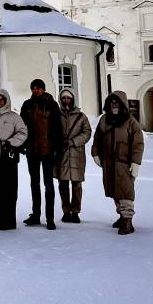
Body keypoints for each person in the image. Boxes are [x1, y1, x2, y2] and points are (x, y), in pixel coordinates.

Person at [91, 91, 145, 235]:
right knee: (114, 190)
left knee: (125, 191)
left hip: (124, 163)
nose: (114, 104)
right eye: (112, 102)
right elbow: (98, 137)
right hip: (108, 163)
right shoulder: (104, 120)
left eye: (117, 102)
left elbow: (138, 143)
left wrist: (136, 162)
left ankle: (128, 220)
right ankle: (122, 215)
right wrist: (95, 153)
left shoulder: (131, 122)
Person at [20, 78, 64, 229]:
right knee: (34, 184)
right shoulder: (27, 105)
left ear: (44, 89)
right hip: (32, 150)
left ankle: (50, 217)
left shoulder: (52, 105)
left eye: (39, 88)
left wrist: (58, 149)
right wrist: (23, 145)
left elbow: (58, 128)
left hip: (48, 150)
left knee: (48, 185)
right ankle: (36, 214)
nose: (36, 90)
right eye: (34, 88)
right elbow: (22, 127)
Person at [0, 89, 28, 230]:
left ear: (6, 101)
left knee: (10, 189)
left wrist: (11, 143)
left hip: (8, 157)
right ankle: (0, 217)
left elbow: (23, 132)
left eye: (1, 99)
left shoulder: (14, 117)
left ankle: (9, 220)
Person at [56, 88, 92, 224]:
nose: (66, 101)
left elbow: (87, 132)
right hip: (62, 154)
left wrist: (73, 142)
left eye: (68, 98)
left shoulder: (81, 116)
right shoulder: (57, 115)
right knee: (63, 184)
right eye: (64, 98)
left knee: (77, 185)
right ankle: (66, 211)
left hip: (76, 155)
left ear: (73, 99)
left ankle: (75, 211)